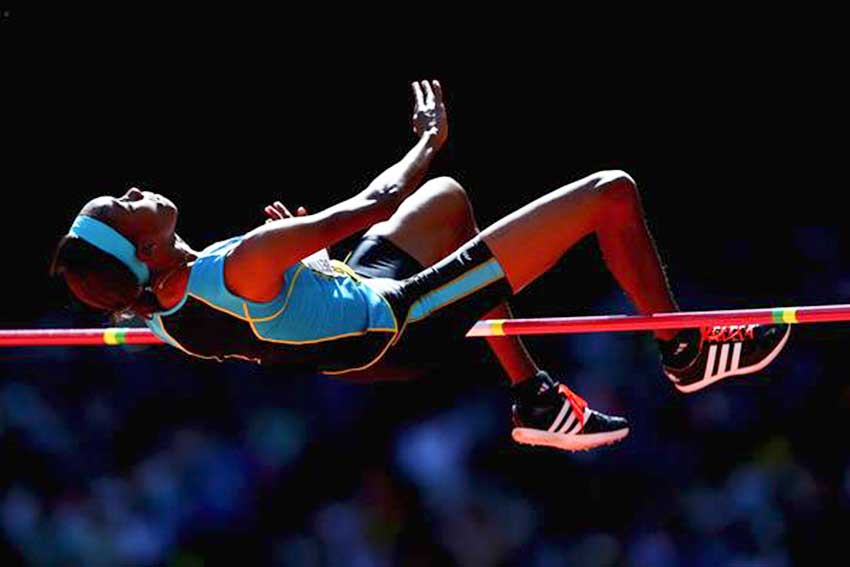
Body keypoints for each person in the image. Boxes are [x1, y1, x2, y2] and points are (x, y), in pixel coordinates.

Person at [50, 80, 791, 452]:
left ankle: (532, 395)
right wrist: (427, 138)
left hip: (359, 307)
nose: (135, 190)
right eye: (124, 205)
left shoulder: (164, 311)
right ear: (143, 250)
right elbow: (375, 202)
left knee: (445, 202)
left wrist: (308, 268)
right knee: (612, 194)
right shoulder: (241, 262)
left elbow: (280, 325)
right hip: (405, 323)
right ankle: (685, 350)